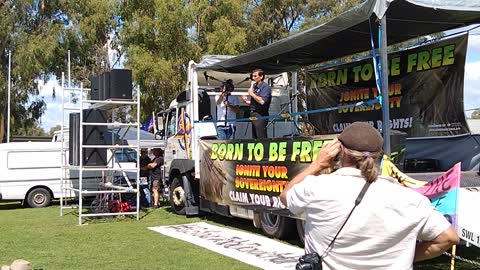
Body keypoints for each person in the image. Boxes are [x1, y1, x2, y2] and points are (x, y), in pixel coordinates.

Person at [280, 122, 459, 270]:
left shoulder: (317, 187)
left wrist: (317, 164)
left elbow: (286, 196)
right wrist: (405, 256)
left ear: (340, 151)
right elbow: (448, 238)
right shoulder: (410, 199)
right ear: (379, 156)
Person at [241, 69, 271, 138]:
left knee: (261, 136)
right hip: (253, 113)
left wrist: (252, 94)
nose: (253, 78)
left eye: (255, 76)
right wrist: (246, 101)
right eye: (252, 76)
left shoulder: (265, 87)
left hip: (260, 114)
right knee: (254, 137)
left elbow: (262, 101)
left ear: (261, 76)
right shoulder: (254, 87)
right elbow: (255, 102)